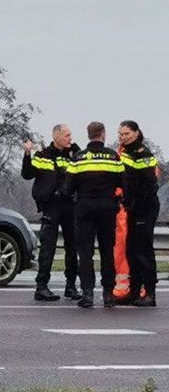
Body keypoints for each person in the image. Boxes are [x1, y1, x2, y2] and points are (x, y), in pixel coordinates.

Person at [63, 122, 125, 308]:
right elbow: (123, 184)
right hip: (107, 209)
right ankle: (108, 294)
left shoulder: (78, 158)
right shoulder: (113, 157)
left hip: (85, 209)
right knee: (107, 252)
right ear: (103, 134)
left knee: (85, 253)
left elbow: (68, 187)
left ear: (88, 135)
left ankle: (88, 294)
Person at [22, 124, 81, 301]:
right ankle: (41, 287)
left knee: (73, 247)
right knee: (48, 247)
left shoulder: (74, 155)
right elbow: (27, 174)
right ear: (56, 137)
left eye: (71, 135)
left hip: (71, 205)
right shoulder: (43, 156)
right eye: (67, 135)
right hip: (51, 206)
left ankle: (71, 286)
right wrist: (27, 154)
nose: (70, 138)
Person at [118, 120, 160, 307]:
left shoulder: (144, 155)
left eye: (126, 134)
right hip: (132, 207)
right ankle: (134, 291)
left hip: (145, 207)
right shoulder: (125, 153)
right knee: (131, 249)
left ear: (136, 133)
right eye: (120, 134)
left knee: (144, 250)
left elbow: (150, 186)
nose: (122, 137)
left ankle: (150, 293)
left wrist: (134, 201)